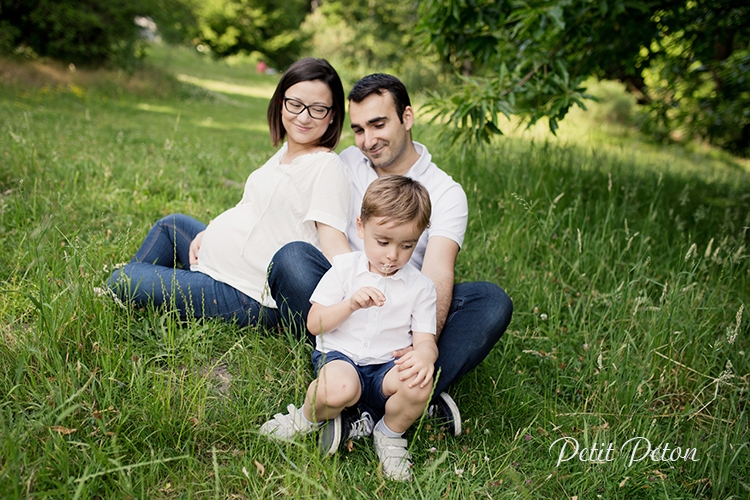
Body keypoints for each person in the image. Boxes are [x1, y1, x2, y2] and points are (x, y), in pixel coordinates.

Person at [267, 73, 513, 448]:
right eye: (359, 129)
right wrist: (357, 284)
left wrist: (421, 344)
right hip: (344, 295)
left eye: (379, 124)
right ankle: (397, 400)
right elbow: (322, 227)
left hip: (407, 310)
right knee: (292, 259)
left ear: (407, 117)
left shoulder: (445, 192)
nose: (368, 140)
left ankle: (381, 399)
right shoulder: (346, 163)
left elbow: (436, 274)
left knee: (491, 302)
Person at [106, 58, 352, 328]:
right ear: (281, 102)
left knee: (124, 279)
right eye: (295, 104)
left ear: (332, 115)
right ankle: (127, 294)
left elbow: (334, 247)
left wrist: (356, 302)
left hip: (247, 292)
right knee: (172, 225)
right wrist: (209, 233)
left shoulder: (326, 166)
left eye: (317, 109)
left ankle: (123, 287)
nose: (303, 117)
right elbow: (253, 212)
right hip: (224, 266)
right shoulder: (286, 153)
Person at [261, 176, 436, 481]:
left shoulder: (420, 287)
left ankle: (389, 433)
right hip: (342, 357)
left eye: (407, 245)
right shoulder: (345, 270)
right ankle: (306, 418)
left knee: (420, 385)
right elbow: (314, 323)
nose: (392, 255)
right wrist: (350, 305)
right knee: (339, 387)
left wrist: (424, 356)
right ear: (360, 227)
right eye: (383, 242)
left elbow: (425, 340)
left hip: (386, 367)